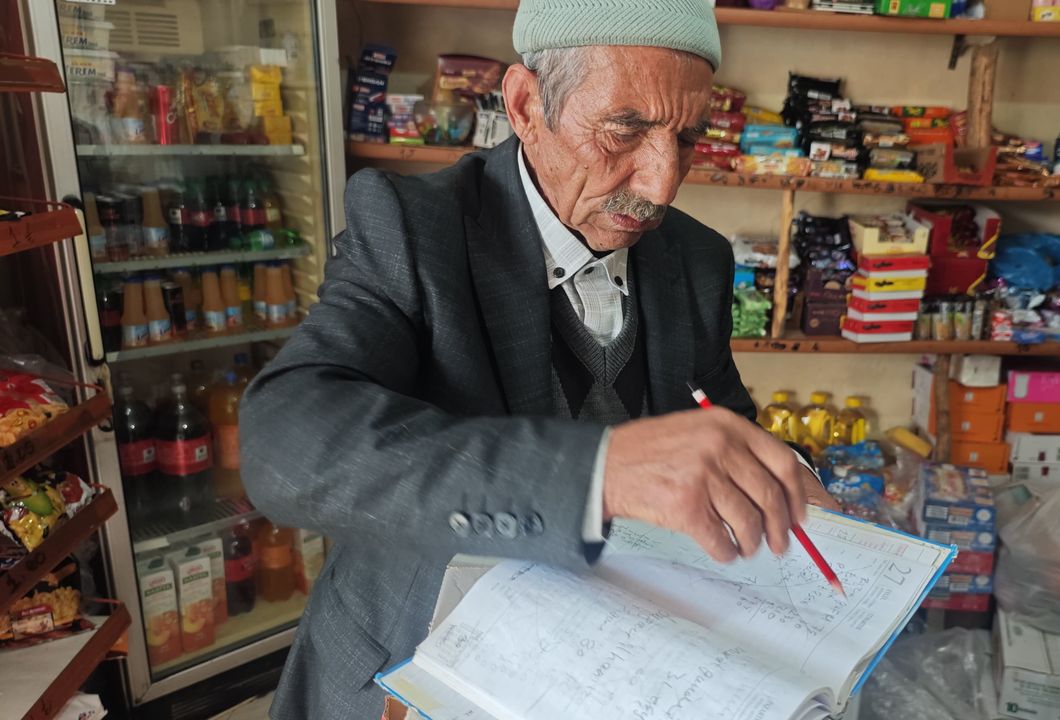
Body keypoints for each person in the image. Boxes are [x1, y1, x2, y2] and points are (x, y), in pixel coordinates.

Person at [240, 1, 836, 717]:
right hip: (418, 654)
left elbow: (719, 410)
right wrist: (597, 475)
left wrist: (783, 473)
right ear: (525, 105)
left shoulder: (694, 256)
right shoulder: (412, 227)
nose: (661, 184)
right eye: (624, 130)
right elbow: (287, 441)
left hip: (606, 661)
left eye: (686, 139)